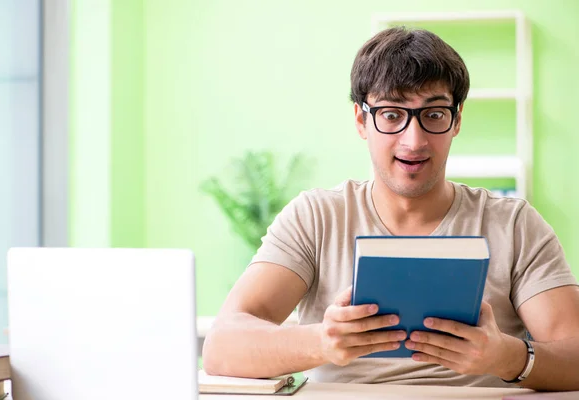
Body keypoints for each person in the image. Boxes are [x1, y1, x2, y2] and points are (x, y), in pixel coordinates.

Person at [202, 27, 579, 390]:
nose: (413, 141)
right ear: (361, 120)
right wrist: (322, 341)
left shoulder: (514, 224)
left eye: (433, 115)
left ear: (457, 120)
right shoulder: (315, 217)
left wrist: (506, 358)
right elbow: (222, 348)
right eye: (392, 115)